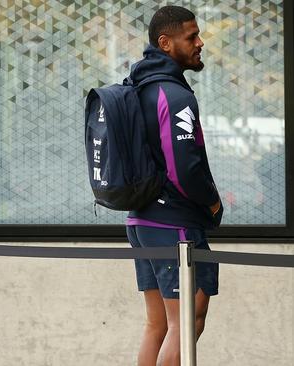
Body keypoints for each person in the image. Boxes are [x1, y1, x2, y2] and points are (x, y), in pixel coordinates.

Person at [124, 6, 223, 366]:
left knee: (158, 325)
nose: (200, 43)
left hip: (141, 220)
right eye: (191, 37)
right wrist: (212, 203)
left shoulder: (139, 86)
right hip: (174, 223)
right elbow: (184, 170)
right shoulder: (174, 95)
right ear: (166, 43)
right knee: (186, 321)